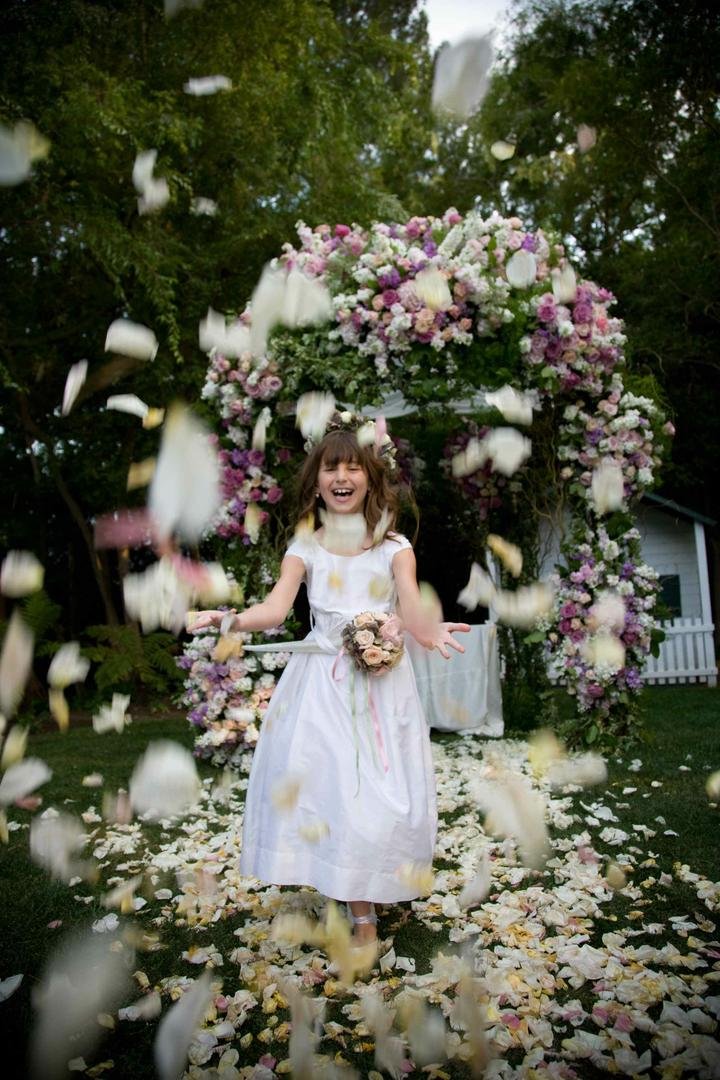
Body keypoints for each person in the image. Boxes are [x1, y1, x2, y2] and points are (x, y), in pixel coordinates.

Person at [192, 418, 469, 947]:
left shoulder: (394, 549)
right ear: (316, 480)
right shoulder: (305, 549)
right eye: (331, 467)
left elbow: (409, 604)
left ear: (371, 477)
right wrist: (230, 618)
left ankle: (372, 876)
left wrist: (426, 629)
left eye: (353, 467)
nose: (342, 477)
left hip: (384, 686)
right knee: (339, 791)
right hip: (322, 685)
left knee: (383, 795)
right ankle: (360, 910)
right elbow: (275, 611)